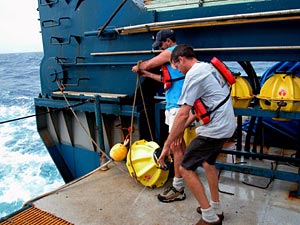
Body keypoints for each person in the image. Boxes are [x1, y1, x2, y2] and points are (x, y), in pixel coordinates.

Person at [157, 44, 236, 225]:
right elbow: (196, 111)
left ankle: (209, 217)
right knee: (208, 164)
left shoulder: (193, 74)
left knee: (185, 168)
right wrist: (182, 128)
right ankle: (217, 208)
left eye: (177, 67)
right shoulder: (208, 68)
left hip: (215, 130)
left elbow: (183, 113)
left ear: (181, 59)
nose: (179, 71)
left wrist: (167, 145)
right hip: (227, 126)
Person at [131, 29, 187, 203]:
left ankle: (178, 188)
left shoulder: (171, 52)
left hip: (177, 107)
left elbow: (146, 64)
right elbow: (167, 80)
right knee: (181, 147)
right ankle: (183, 177)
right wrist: (147, 75)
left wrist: (138, 68)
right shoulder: (178, 59)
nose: (160, 49)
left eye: (161, 45)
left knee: (176, 147)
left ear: (169, 42)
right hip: (177, 105)